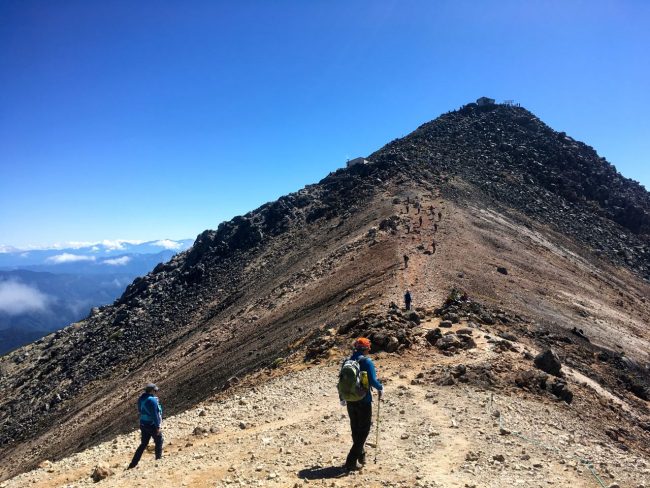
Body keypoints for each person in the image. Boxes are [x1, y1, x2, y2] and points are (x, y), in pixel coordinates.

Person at [340, 338, 383, 471]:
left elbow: (342, 381)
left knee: (355, 428)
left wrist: (341, 398)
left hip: (350, 400)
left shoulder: (347, 361)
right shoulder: (366, 361)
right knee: (363, 430)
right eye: (368, 348)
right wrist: (381, 388)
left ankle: (361, 455)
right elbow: (373, 381)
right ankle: (351, 461)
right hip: (364, 400)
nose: (369, 350)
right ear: (366, 349)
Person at [128, 383, 163, 468]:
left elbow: (140, 410)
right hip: (151, 424)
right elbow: (155, 414)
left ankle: (133, 464)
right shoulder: (153, 400)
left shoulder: (141, 398)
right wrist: (158, 426)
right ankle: (158, 459)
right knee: (159, 440)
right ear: (151, 391)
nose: (156, 392)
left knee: (143, 444)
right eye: (155, 390)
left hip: (143, 423)